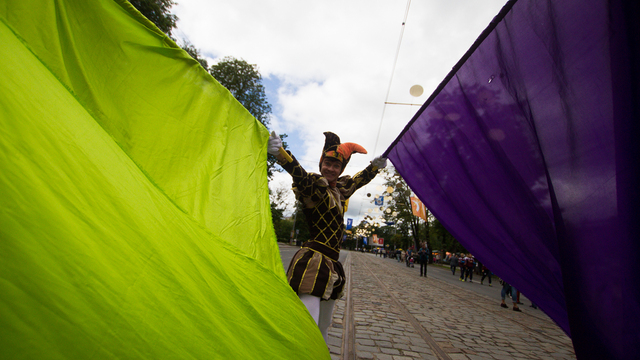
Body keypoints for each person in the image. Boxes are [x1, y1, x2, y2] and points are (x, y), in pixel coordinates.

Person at [268, 131, 386, 343]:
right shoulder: (316, 187)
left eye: (336, 166)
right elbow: (299, 176)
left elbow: (358, 181)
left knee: (324, 325)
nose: (331, 169)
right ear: (321, 163)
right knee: (308, 325)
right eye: (327, 164)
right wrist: (281, 154)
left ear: (341, 169)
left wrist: (374, 167)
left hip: (332, 264)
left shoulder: (340, 190)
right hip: (313, 261)